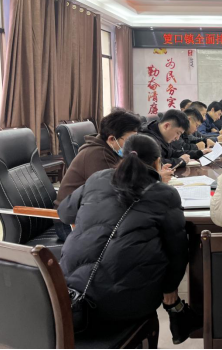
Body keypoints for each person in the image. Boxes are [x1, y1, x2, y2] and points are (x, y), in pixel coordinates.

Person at [59, 134, 198, 344]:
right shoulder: (165, 194)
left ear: (121, 156)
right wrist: (170, 290)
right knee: (159, 245)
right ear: (157, 162)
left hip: (70, 296)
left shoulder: (97, 178)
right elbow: (178, 252)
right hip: (122, 306)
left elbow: (65, 213)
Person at [53, 109, 142, 241]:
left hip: (90, 215)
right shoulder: (98, 155)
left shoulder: (110, 149)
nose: (133, 146)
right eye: (130, 141)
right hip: (70, 224)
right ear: (112, 139)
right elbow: (116, 194)